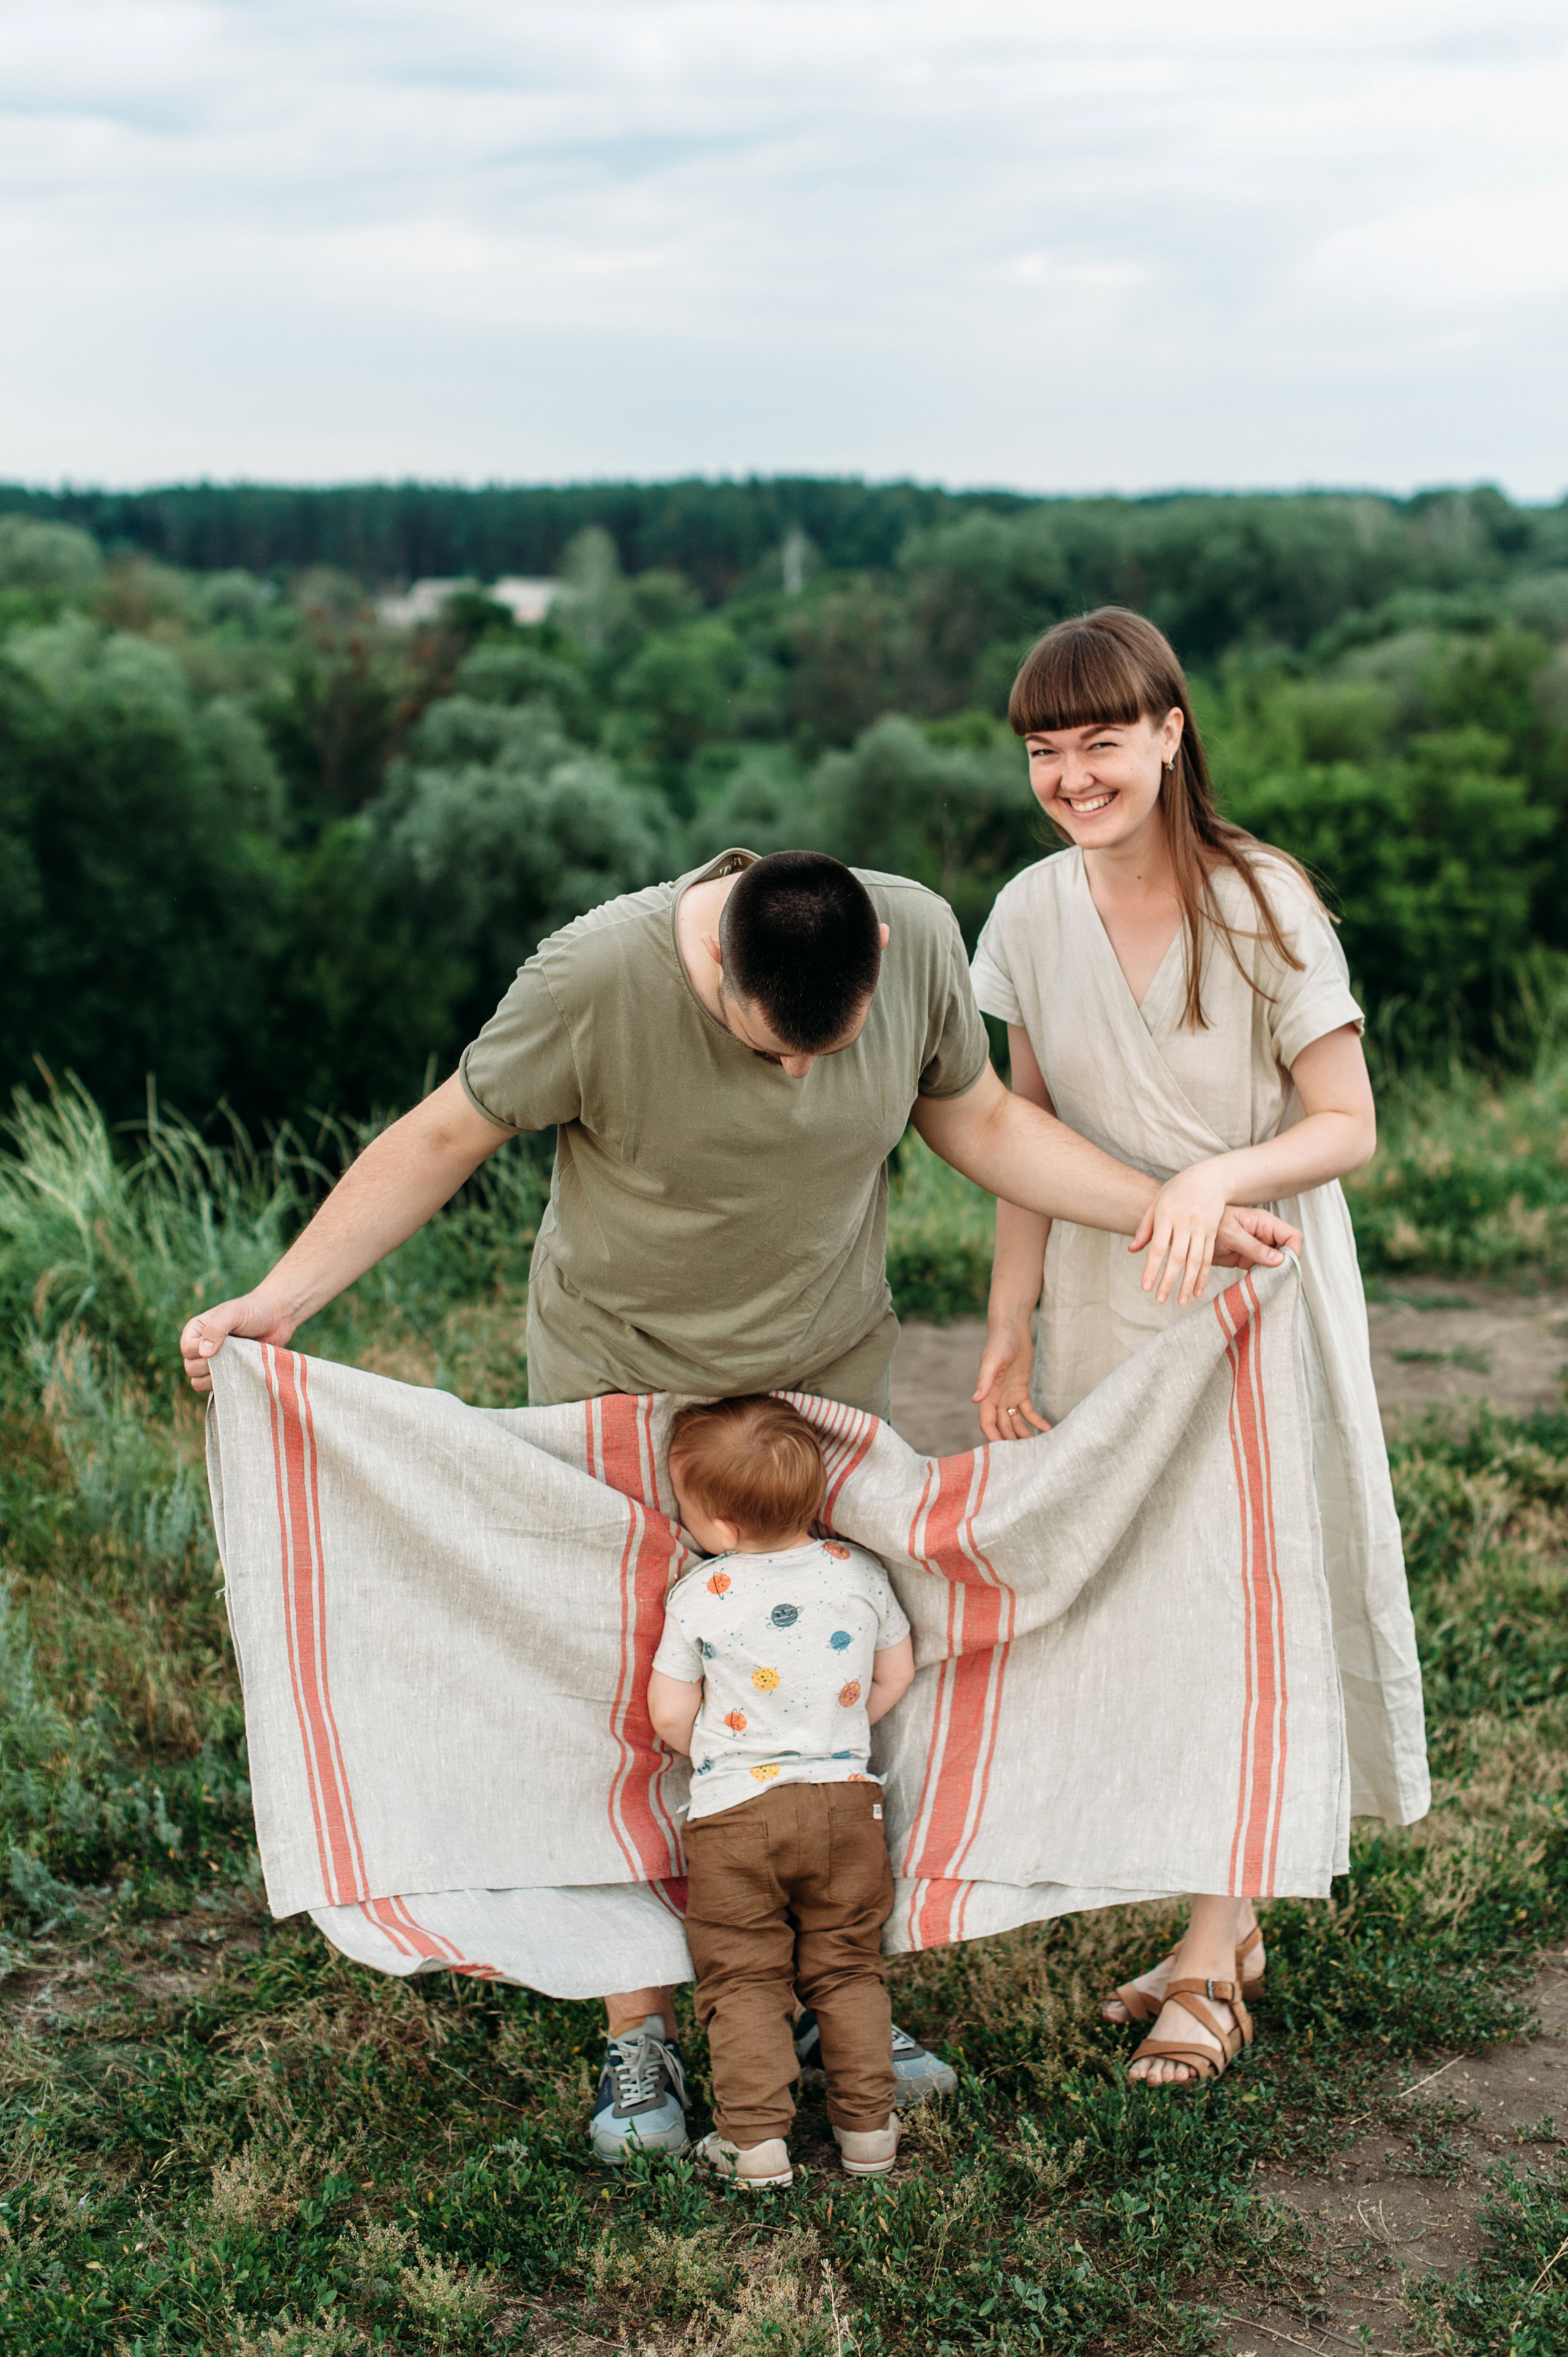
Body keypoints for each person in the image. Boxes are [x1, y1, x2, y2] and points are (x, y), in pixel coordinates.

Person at [181, 844, 1298, 2152]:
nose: (800, 1078)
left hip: (819, 1389)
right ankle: (639, 2034)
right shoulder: (593, 976)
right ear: (713, 964)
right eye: (771, 1050)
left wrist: (1163, 1209)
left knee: (822, 1685)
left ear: (880, 957)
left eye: (829, 1053)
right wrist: (279, 1302)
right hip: (623, 1387)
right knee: (633, 1710)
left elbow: (982, 1121)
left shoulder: (918, 938)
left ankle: (821, 1990)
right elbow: (442, 1135)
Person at [970, 607, 1428, 2087]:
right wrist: (1005, 1327)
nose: (1072, 774)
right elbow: (1019, 1134)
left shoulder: (1260, 899)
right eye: (1045, 749)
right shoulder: (1025, 913)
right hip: (1105, 1298)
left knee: (1244, 1602)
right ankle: (1217, 1933)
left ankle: (1210, 1954)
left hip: (1254, 1292)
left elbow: (1345, 1125)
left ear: (1168, 733)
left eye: (1101, 739)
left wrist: (1214, 1178)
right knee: (1153, 1607)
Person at [646, 1394, 914, 2187]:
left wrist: (722, 1753)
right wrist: (833, 1734)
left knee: (745, 1975)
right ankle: (868, 2130)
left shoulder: (701, 1594)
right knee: (848, 1966)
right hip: (846, 1807)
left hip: (736, 1817)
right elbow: (894, 1673)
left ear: (722, 1525)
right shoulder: (859, 1574)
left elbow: (670, 1714)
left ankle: (755, 2140)